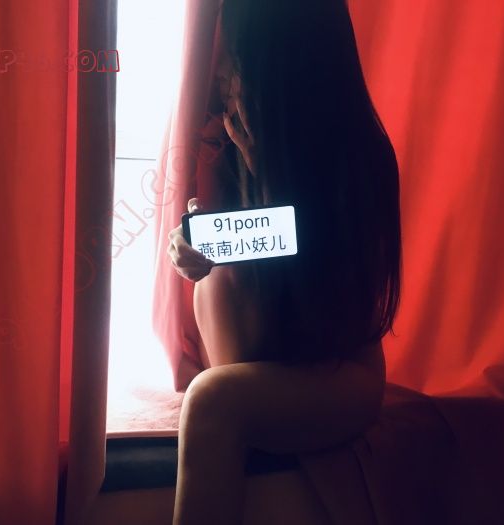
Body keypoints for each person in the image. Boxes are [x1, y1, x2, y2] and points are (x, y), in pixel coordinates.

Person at [166, 0, 401, 523]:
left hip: (339, 366)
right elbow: (245, 264)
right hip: (258, 346)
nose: (223, 75)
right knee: (216, 285)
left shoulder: (358, 156)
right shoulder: (230, 135)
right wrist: (197, 246)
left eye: (236, 60)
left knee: (211, 401)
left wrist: (268, 178)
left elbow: (334, 308)